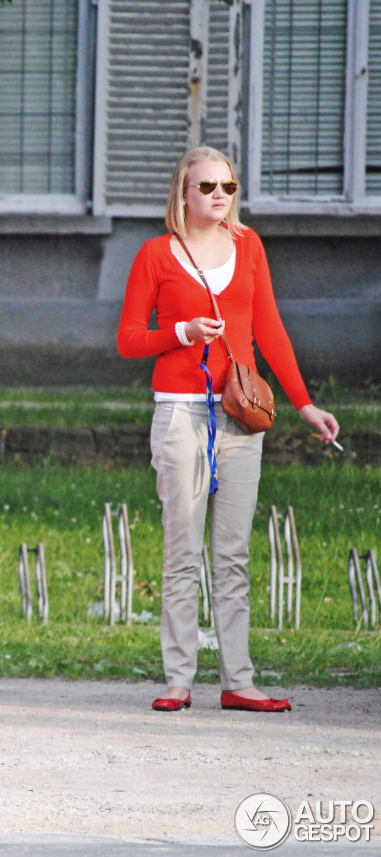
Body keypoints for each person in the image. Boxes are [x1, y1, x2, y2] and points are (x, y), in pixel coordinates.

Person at [117, 146, 339, 713]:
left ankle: (238, 681)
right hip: (181, 412)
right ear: (183, 194)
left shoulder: (250, 246)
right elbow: (128, 341)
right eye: (208, 186)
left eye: (229, 186)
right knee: (182, 547)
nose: (220, 194)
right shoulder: (155, 255)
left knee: (233, 552)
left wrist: (304, 403)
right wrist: (183, 332)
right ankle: (178, 680)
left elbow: (269, 327)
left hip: (242, 411)